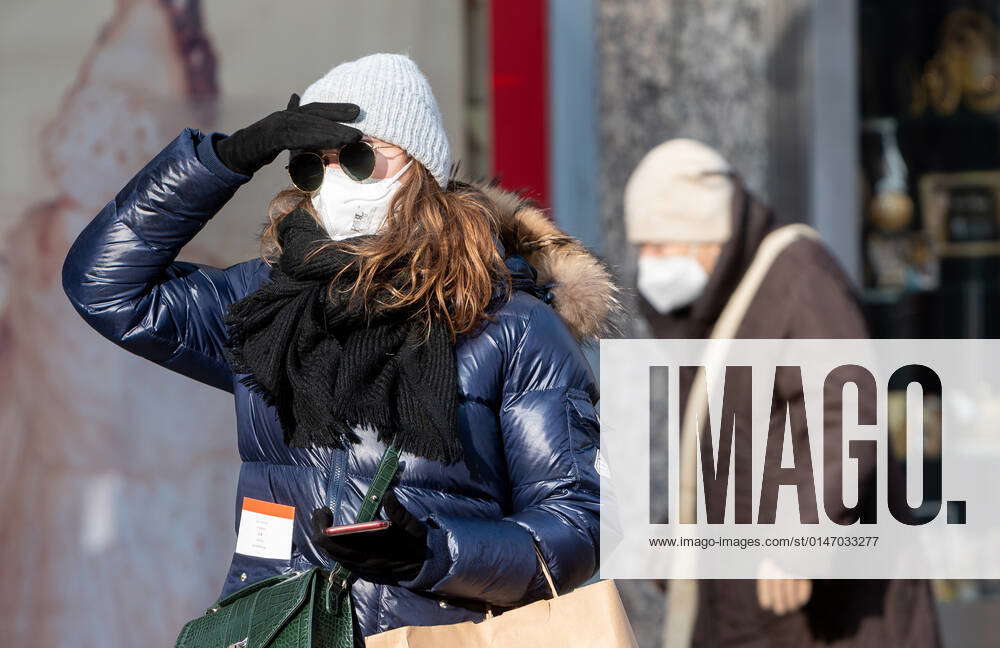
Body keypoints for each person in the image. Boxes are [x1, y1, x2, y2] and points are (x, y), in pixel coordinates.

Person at [62, 53, 619, 639]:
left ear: (420, 164)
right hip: (284, 627)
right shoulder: (267, 303)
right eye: (311, 164)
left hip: (434, 633)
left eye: (356, 155)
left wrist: (436, 553)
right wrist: (227, 159)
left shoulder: (511, 324)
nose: (334, 178)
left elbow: (576, 524)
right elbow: (103, 285)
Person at [624, 139, 941, 647]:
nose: (649, 265)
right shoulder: (715, 311)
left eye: (662, 247)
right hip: (754, 609)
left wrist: (800, 540)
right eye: (642, 248)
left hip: (831, 611)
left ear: (711, 238)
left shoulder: (796, 278)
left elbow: (844, 409)